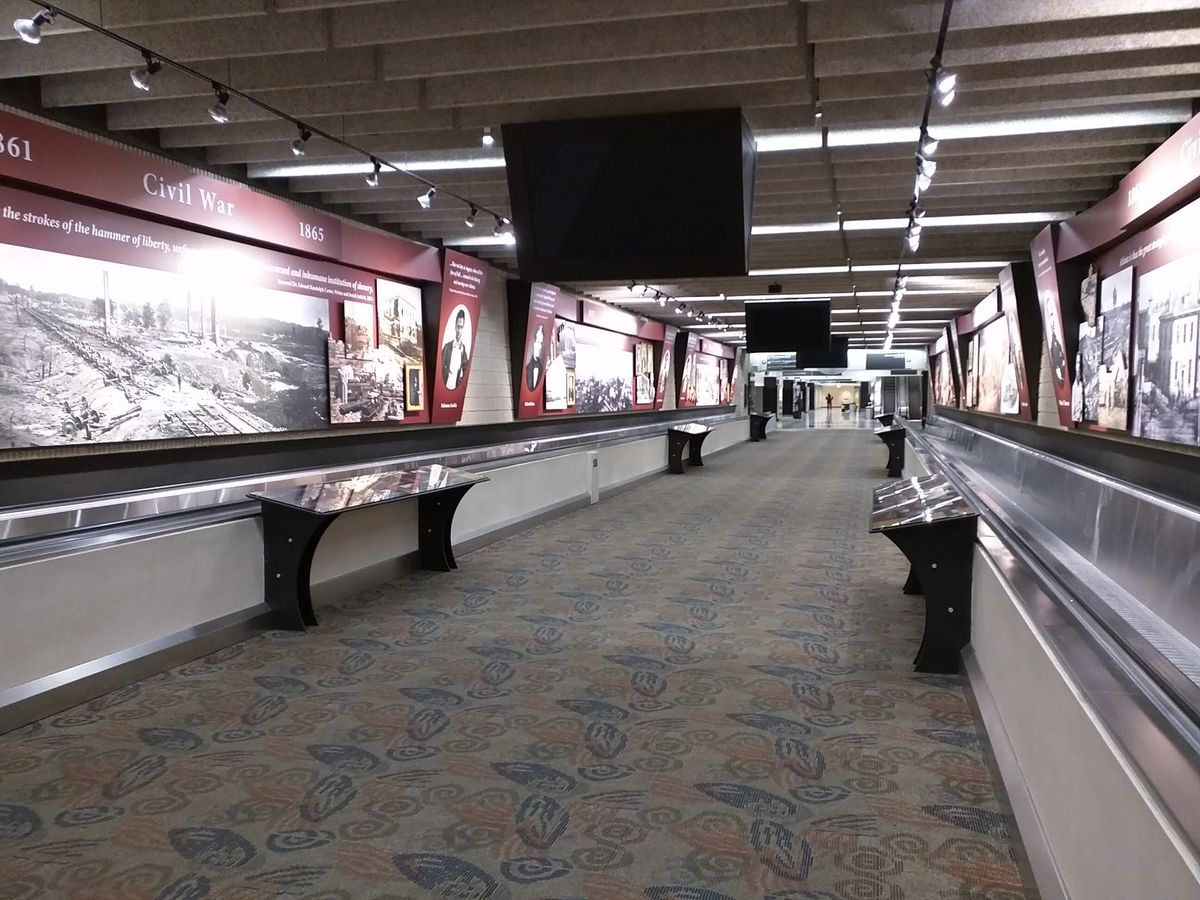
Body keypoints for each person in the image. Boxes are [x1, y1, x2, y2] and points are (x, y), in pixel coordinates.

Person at [441, 309, 469, 389]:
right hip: (444, 387)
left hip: (456, 390)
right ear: (455, 326)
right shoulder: (447, 347)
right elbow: (439, 368)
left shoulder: (463, 350)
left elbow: (466, 370)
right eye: (458, 327)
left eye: (461, 327)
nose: (459, 331)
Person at [525, 324, 545, 390]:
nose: (539, 346)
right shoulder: (526, 369)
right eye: (538, 342)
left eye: (541, 343)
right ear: (533, 343)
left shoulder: (542, 369)